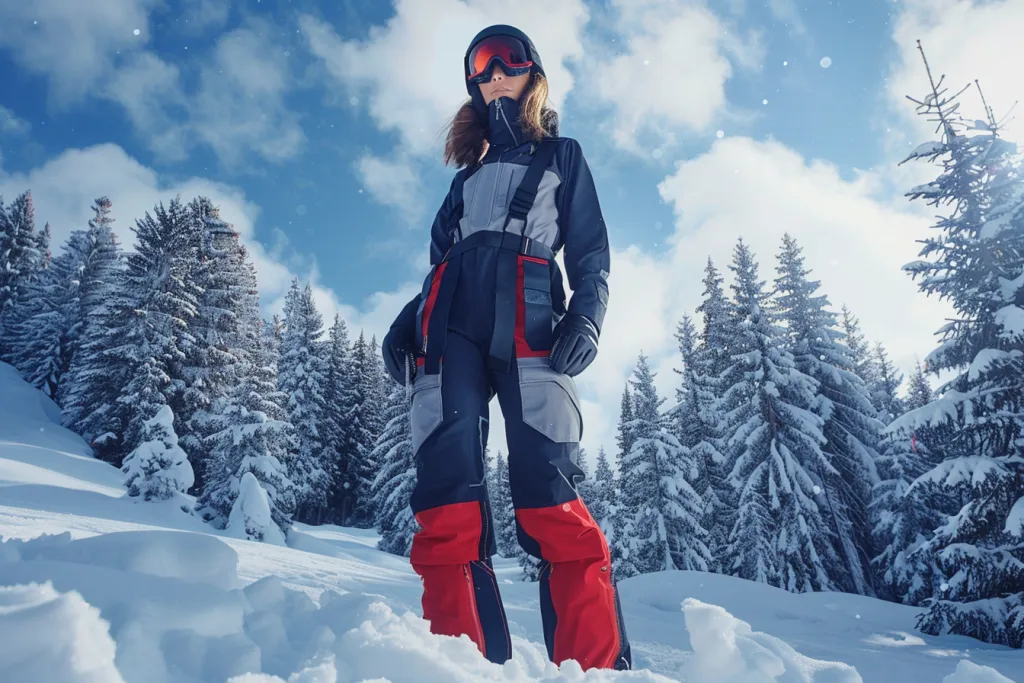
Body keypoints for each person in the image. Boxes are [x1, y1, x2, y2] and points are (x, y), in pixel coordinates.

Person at [381, 24, 631, 671]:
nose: (494, 74)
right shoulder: (462, 183)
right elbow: (441, 268)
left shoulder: (563, 156)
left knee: (547, 485)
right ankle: (456, 661)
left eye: (507, 61)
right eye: (481, 67)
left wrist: (589, 316)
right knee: (446, 489)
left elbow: (591, 252)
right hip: (449, 329)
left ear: (531, 72)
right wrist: (407, 322)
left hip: (531, 321)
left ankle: (595, 665)